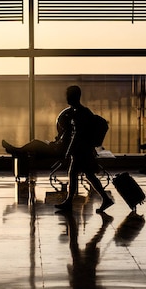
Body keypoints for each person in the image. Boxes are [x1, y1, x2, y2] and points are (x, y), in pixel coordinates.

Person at [54, 85, 114, 213]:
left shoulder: (78, 113)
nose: (66, 98)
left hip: (81, 150)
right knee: (86, 175)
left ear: (73, 97)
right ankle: (72, 201)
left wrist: (69, 151)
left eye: (68, 96)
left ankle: (70, 202)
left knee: (78, 174)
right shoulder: (83, 112)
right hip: (84, 149)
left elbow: (77, 135)